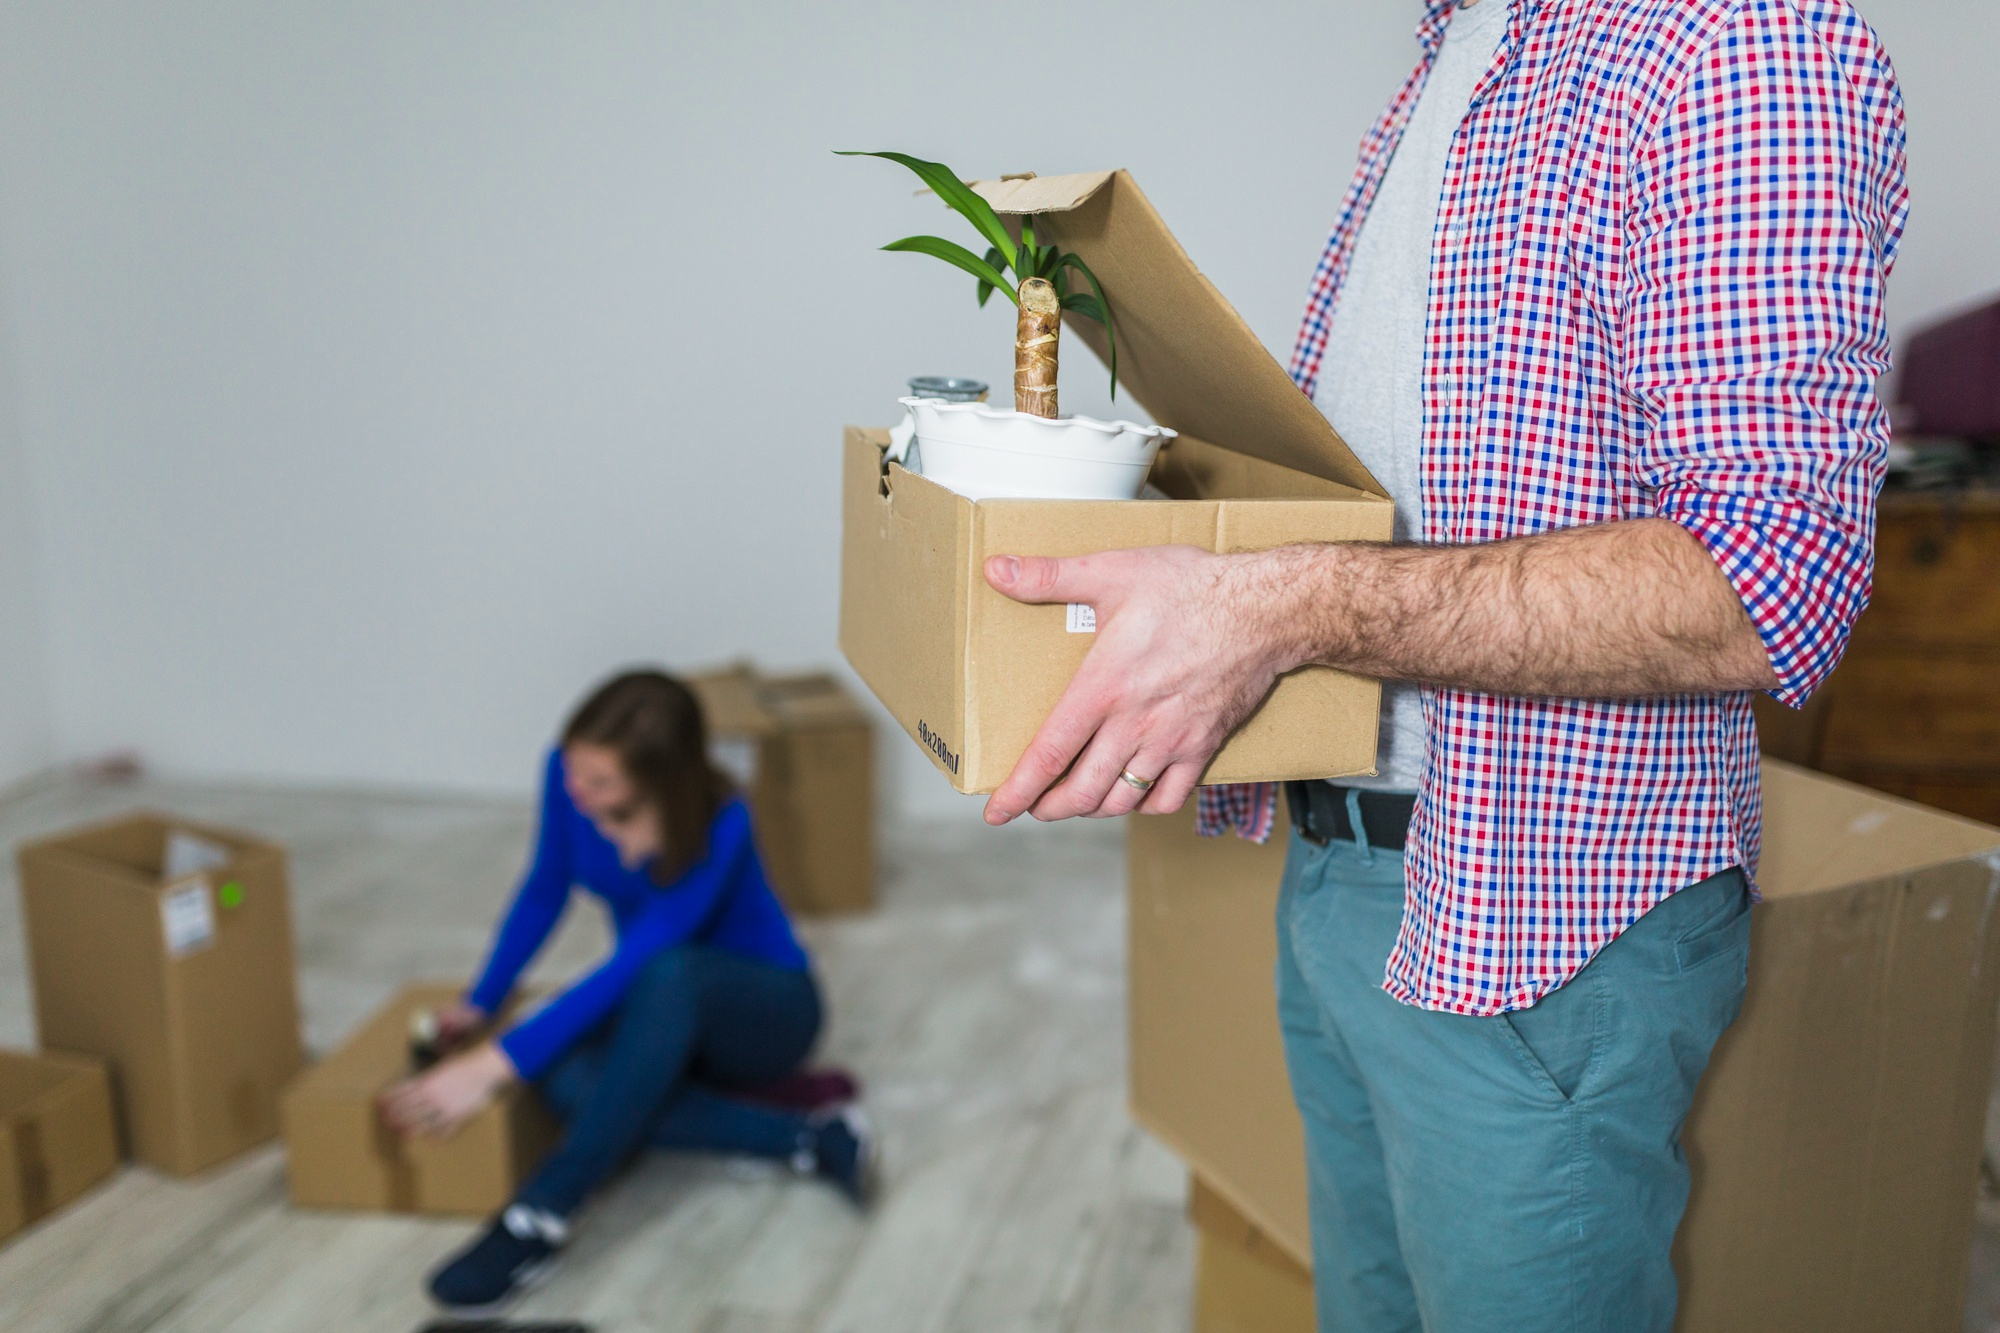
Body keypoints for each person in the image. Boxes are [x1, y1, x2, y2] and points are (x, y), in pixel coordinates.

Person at [973, 1, 1905, 1329]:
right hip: (1347, 864)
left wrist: (1286, 605)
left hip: (1542, 916)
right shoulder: (1466, 43)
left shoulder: (1734, 42)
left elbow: (1761, 583)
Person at [379, 669, 872, 1316]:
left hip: (763, 1012)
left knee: (669, 970)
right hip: (659, 1013)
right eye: (575, 770)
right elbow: (544, 888)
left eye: (601, 781)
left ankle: (540, 1212)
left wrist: (488, 1066)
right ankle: (804, 1138)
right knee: (561, 1078)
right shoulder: (570, 779)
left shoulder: (723, 820)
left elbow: (640, 960)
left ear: (661, 781)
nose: (577, 790)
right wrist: (482, 1000)